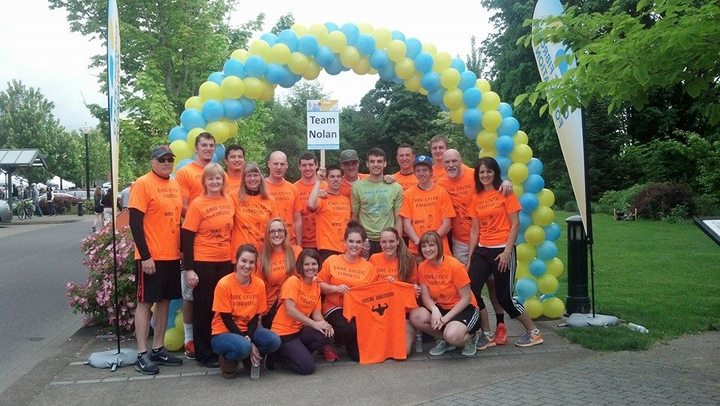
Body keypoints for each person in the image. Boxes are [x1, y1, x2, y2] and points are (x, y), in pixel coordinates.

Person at [468, 157, 544, 348]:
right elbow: (475, 230)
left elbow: (515, 223)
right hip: (482, 249)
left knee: (505, 297)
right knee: (471, 290)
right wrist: (470, 258)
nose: (485, 175)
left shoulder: (505, 192)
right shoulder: (476, 196)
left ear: (495, 173)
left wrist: (507, 252)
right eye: (481, 172)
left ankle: (533, 332)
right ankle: (487, 334)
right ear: (477, 175)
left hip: (502, 249)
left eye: (489, 171)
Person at [439, 149, 510, 345]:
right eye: (447, 162)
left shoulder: (475, 173)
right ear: (443, 164)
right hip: (462, 242)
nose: (451, 165)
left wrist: (506, 183)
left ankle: (501, 324)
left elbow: (494, 181)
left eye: (454, 161)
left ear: (461, 160)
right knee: (470, 288)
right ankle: (481, 329)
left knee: (494, 284)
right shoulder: (442, 183)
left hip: (489, 240)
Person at [128, 145, 184, 374]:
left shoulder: (174, 184)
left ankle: (158, 348)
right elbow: (134, 222)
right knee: (145, 303)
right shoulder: (143, 184)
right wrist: (145, 256)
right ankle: (142, 354)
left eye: (170, 159)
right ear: (152, 161)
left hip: (171, 255)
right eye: (162, 159)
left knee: (164, 302)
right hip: (151, 257)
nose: (167, 163)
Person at [181, 163, 235, 368]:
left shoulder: (229, 200)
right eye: (210, 178)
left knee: (220, 308)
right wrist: (189, 269)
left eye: (218, 178)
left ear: (223, 180)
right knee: (203, 308)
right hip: (203, 262)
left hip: (225, 261)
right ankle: (203, 354)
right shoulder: (197, 204)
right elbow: (187, 237)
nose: (215, 182)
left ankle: (218, 348)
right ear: (204, 181)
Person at [211, 244, 281, 379]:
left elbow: (255, 316)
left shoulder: (259, 284)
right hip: (223, 332)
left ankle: (248, 357)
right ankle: (227, 359)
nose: (247, 266)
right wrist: (249, 342)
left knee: (274, 341)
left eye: (251, 262)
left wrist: (249, 336)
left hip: (248, 330)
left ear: (255, 264)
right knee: (244, 346)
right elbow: (226, 319)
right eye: (243, 261)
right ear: (236, 261)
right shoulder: (224, 284)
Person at [174, 131, 216, 359]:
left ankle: (212, 338)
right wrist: (202, 216)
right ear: (196, 148)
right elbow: (181, 205)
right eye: (204, 145)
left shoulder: (216, 172)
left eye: (211, 145)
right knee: (191, 294)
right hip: (193, 240)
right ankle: (189, 339)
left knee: (211, 296)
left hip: (215, 246)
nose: (208, 149)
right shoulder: (185, 172)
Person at [409, 231, 481, 357]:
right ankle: (445, 340)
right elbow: (425, 297)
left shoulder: (455, 266)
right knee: (416, 316)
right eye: (424, 246)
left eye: (431, 245)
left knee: (452, 335)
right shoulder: (422, 267)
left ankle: (470, 337)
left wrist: (444, 319)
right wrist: (434, 310)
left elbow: (466, 299)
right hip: (441, 307)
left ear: (439, 246)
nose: (427, 249)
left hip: (464, 308)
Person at [317, 221, 378, 362]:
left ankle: (346, 341)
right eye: (351, 241)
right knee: (347, 328)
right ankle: (328, 342)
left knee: (358, 356)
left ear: (363, 245)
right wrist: (335, 288)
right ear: (345, 243)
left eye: (358, 242)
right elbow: (318, 284)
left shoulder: (369, 267)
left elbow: (375, 293)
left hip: (357, 311)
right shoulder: (332, 261)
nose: (354, 245)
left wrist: (390, 282)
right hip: (334, 307)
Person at [270, 249, 334, 375]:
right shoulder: (294, 281)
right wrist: (315, 324)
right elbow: (290, 310)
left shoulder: (316, 286)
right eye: (307, 264)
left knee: (327, 334)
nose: (311, 267)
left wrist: (325, 324)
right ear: (301, 266)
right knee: (307, 368)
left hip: (299, 331)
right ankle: (279, 355)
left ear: (318, 265)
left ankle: (299, 354)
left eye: (314, 264)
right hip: (283, 334)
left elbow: (316, 313)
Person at [368, 227, 420, 354]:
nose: (388, 245)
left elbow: (414, 287)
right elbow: (369, 287)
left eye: (391, 241)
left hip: (403, 313)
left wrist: (399, 285)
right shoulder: (374, 259)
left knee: (403, 351)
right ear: (380, 243)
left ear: (397, 241)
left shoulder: (408, 260)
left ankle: (414, 332)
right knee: (379, 350)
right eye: (384, 242)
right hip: (381, 313)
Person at [350, 148, 404, 257]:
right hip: (366, 240)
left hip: (388, 240)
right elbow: (355, 217)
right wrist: (358, 240)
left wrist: (398, 241)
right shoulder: (357, 187)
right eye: (372, 161)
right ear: (367, 164)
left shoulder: (396, 188)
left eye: (379, 161)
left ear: (385, 163)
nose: (376, 164)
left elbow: (398, 218)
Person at [400, 155, 456, 258]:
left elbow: (447, 224)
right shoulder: (408, 194)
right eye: (418, 170)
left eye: (425, 170)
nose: (421, 173)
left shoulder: (442, 192)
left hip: (440, 249)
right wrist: (420, 243)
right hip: (416, 250)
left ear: (431, 172)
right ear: (414, 173)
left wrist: (431, 243)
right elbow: (407, 224)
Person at [256, 218, 302, 329]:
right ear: (267, 235)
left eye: (280, 230)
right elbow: (258, 289)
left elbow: (305, 280)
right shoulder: (262, 259)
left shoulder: (297, 251)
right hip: (272, 310)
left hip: (295, 306)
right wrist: (258, 318)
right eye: (272, 231)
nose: (276, 234)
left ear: (285, 233)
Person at [230, 162, 278, 254]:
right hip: (239, 253)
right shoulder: (233, 197)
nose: (252, 178)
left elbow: (274, 228)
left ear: (261, 178)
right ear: (243, 179)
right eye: (249, 175)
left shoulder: (270, 200)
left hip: (262, 252)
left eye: (255, 175)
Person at [308, 164, 351, 264]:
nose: (336, 179)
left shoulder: (346, 200)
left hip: (345, 249)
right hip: (327, 249)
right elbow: (311, 205)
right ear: (326, 179)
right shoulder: (322, 198)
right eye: (332, 176)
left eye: (338, 176)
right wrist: (319, 180)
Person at [265, 151, 302, 245]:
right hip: (268, 243)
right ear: (269, 164)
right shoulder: (262, 188)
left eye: (282, 164)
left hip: (290, 242)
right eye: (275, 164)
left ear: (287, 165)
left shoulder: (293, 188)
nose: (279, 167)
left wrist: (299, 245)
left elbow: (297, 220)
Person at [294, 152, 324, 250]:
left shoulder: (325, 186)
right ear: (299, 167)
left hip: (323, 242)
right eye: (304, 165)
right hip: (302, 242)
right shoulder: (293, 188)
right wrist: (298, 246)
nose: (307, 168)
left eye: (311, 165)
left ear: (316, 165)